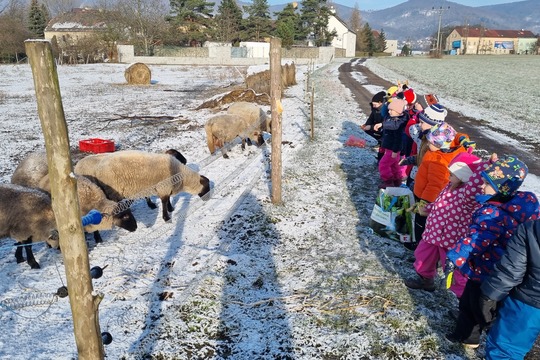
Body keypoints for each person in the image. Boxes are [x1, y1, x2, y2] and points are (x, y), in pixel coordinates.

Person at [445, 155, 539, 348]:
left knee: (471, 303)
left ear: (501, 188)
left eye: (487, 184)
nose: (481, 187)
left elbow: (475, 242)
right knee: (480, 304)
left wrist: (455, 256)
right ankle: (474, 330)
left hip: (482, 269)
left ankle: (467, 335)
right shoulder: (515, 208)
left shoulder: (493, 214)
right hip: (498, 271)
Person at [404, 150, 487, 295]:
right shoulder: (449, 187)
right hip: (433, 233)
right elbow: (439, 204)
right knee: (422, 256)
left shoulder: (468, 196)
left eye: (452, 174)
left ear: (464, 177)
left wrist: (485, 165)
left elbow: (475, 183)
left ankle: (463, 299)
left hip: (451, 239)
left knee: (453, 271)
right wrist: (425, 208)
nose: (448, 176)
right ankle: (425, 279)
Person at [479, 219, 540, 359]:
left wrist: (489, 296)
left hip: (528, 301)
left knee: (505, 351)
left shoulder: (531, 229)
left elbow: (511, 271)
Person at [407, 121, 467, 251]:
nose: (428, 144)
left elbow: (435, 185)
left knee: (421, 223)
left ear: (440, 144)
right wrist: (461, 138)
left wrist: (424, 202)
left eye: (431, 142)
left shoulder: (438, 161)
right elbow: (458, 135)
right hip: (428, 196)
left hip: (427, 198)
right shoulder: (453, 149)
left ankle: (419, 247)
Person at [374, 98, 409, 188]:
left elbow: (398, 139)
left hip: (393, 149)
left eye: (391, 110)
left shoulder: (399, 124)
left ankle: (388, 180)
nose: (389, 112)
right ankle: (397, 180)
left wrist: (395, 150)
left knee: (383, 164)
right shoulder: (394, 118)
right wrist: (382, 124)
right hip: (390, 148)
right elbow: (388, 123)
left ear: (399, 111)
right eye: (389, 110)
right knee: (394, 165)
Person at [361, 91, 386, 162]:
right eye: (373, 104)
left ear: (380, 103)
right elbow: (371, 117)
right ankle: (379, 142)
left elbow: (384, 123)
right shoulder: (375, 108)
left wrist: (371, 127)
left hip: (382, 128)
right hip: (376, 126)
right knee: (367, 130)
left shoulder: (385, 110)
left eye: (375, 104)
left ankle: (381, 143)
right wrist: (366, 125)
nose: (373, 106)